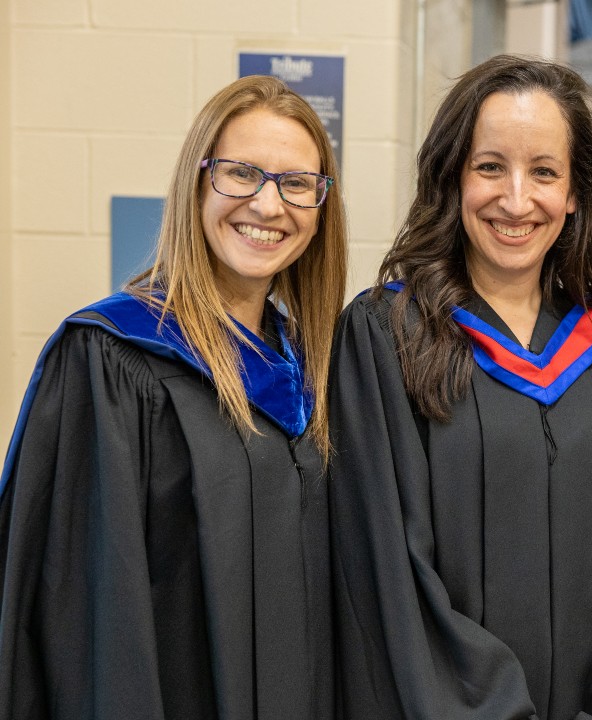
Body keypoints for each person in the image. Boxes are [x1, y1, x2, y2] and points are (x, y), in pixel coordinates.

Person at [327, 55, 592, 720]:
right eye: (490, 166)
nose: (516, 200)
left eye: (544, 172)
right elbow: (388, 578)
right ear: (452, 177)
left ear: (575, 192)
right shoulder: (384, 339)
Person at [0, 75, 347, 718]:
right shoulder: (109, 360)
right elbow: (91, 624)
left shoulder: (317, 370)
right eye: (240, 173)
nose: (269, 206)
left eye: (297, 183)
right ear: (197, 180)